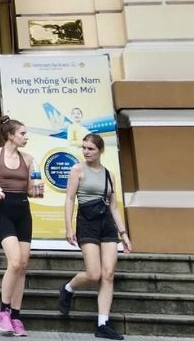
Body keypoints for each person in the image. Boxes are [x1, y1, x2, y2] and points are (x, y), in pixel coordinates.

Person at [58, 132, 131, 340]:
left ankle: (102, 323)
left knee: (108, 274)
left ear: (100, 151)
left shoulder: (109, 174)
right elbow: (70, 199)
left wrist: (123, 233)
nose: (86, 152)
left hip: (106, 224)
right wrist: (68, 227)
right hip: (87, 223)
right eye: (84, 148)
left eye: (91, 149)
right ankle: (67, 288)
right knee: (94, 274)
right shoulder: (78, 170)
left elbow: (114, 207)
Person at [0, 116, 44, 338]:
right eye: (23, 133)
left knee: (23, 265)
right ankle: (3, 311)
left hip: (23, 211)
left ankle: (16, 317)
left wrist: (35, 190)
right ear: (10, 135)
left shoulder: (28, 158)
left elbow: (28, 189)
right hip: (3, 210)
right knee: (14, 262)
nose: (26, 137)